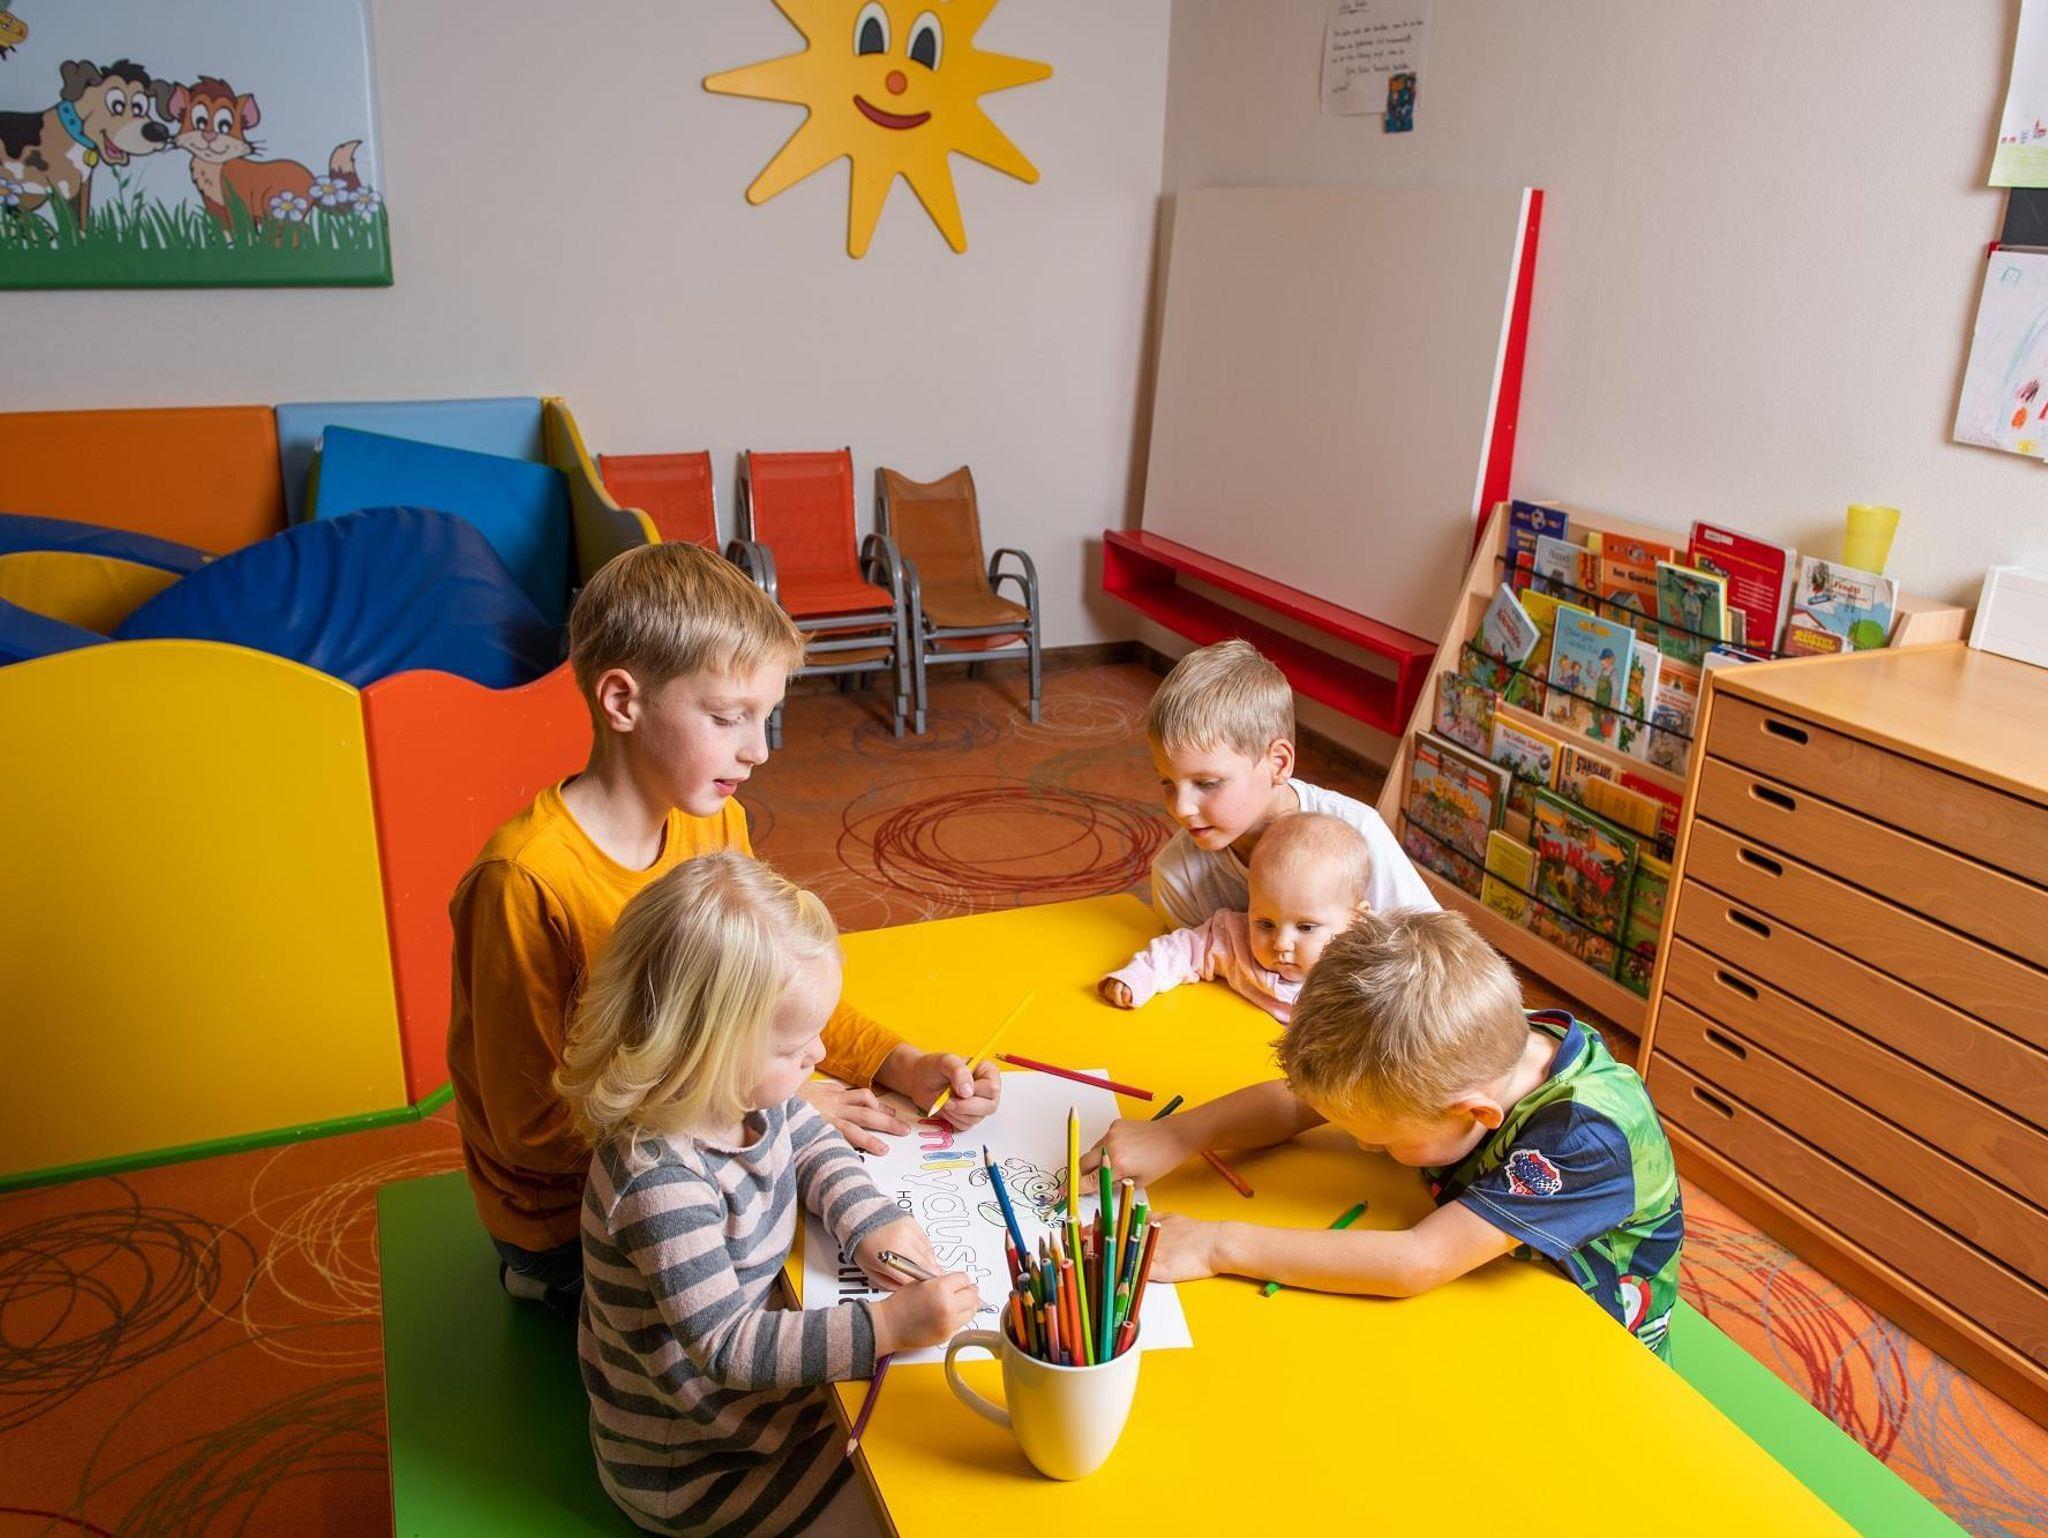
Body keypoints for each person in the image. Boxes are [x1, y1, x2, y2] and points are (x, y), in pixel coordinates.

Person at [447, 542, 999, 1314]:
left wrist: (897, 1062)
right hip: (573, 1217)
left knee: (850, 1216)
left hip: (705, 1142)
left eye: (765, 717)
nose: (759, 750)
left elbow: (769, 995)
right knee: (769, 1323)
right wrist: (772, 1116)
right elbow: (531, 1131)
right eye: (728, 717)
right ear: (622, 701)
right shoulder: (523, 880)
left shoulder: (715, 822)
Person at [559, 852, 980, 1537]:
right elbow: (728, 1347)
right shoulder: (657, 1180)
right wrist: (887, 1328)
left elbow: (808, 1137)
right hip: (703, 1462)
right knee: (913, 1512)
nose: (819, 1056)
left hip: (775, 1405)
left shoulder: (746, 1093)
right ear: (705, 1049)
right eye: (793, 1047)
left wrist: (866, 1218)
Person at [1089, 908, 1683, 1357]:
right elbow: (1300, 1105)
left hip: (1583, 1339)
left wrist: (1217, 1245)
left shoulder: (1584, 1138)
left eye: (1382, 1138)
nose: (1365, 1146)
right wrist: (1182, 1134)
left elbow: (1416, 1261)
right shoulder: (1464, 1038)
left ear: (1477, 1114)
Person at [1143, 639, 1436, 930]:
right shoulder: (1177, 876)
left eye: (1207, 783)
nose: (1180, 808)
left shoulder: (1361, 831)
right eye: (1167, 781)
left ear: (1279, 763)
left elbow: (1433, 948)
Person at [1100, 812, 1371, 1024]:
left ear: (1358, 921)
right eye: (1265, 923)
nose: (1280, 943)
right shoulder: (1234, 940)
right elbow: (1183, 949)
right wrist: (1140, 976)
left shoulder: (1368, 977)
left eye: (1306, 927)